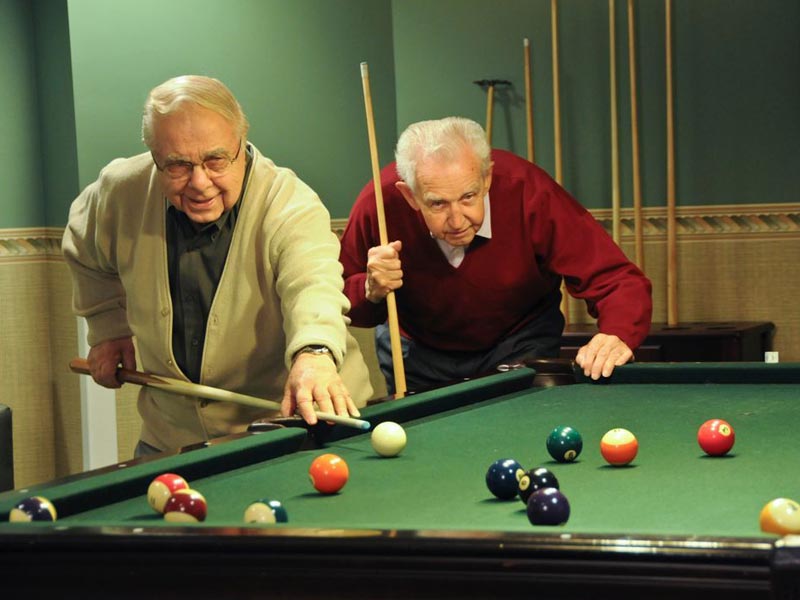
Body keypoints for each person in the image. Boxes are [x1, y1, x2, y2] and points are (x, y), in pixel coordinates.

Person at [63, 75, 372, 456]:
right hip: (173, 438)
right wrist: (107, 329)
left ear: (242, 144)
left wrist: (315, 355)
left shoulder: (290, 203)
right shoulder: (121, 190)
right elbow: (82, 245)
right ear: (154, 156)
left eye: (215, 160)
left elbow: (313, 285)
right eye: (177, 165)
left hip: (301, 426)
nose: (199, 182)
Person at [339, 117, 652, 393]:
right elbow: (340, 299)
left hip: (520, 342)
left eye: (468, 197)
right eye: (437, 204)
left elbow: (616, 279)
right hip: (418, 353)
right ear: (410, 195)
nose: (457, 219)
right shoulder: (378, 205)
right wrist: (371, 290)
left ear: (486, 179)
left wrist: (616, 333)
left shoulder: (528, 191)